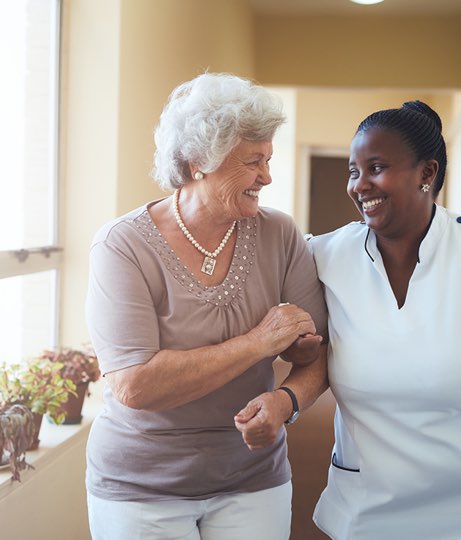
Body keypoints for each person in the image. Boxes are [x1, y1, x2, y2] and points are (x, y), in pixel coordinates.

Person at [239, 100, 461, 539]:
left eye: (376, 167)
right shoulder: (323, 257)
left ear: (427, 174)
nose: (360, 185)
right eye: (354, 171)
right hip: (368, 510)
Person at [84, 72, 328, 540]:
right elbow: (136, 386)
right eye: (254, 161)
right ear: (199, 161)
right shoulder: (122, 246)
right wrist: (259, 342)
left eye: (269, 159)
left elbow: (316, 356)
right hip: (140, 487)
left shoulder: (279, 234)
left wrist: (286, 400)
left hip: (253, 477)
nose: (267, 176)